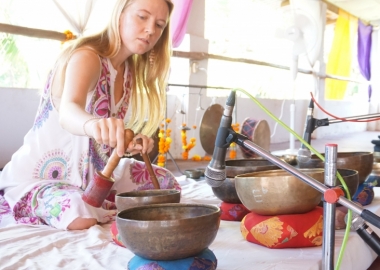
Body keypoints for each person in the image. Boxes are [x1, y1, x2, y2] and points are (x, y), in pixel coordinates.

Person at [0, 0, 180, 231]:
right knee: (80, 213)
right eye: (142, 17)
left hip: (93, 177)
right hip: (42, 179)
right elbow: (68, 111)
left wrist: (128, 142)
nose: (150, 30)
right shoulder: (88, 57)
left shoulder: (128, 74)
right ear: (120, 14)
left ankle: (96, 202)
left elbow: (99, 143)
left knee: (167, 183)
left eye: (159, 24)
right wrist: (95, 125)